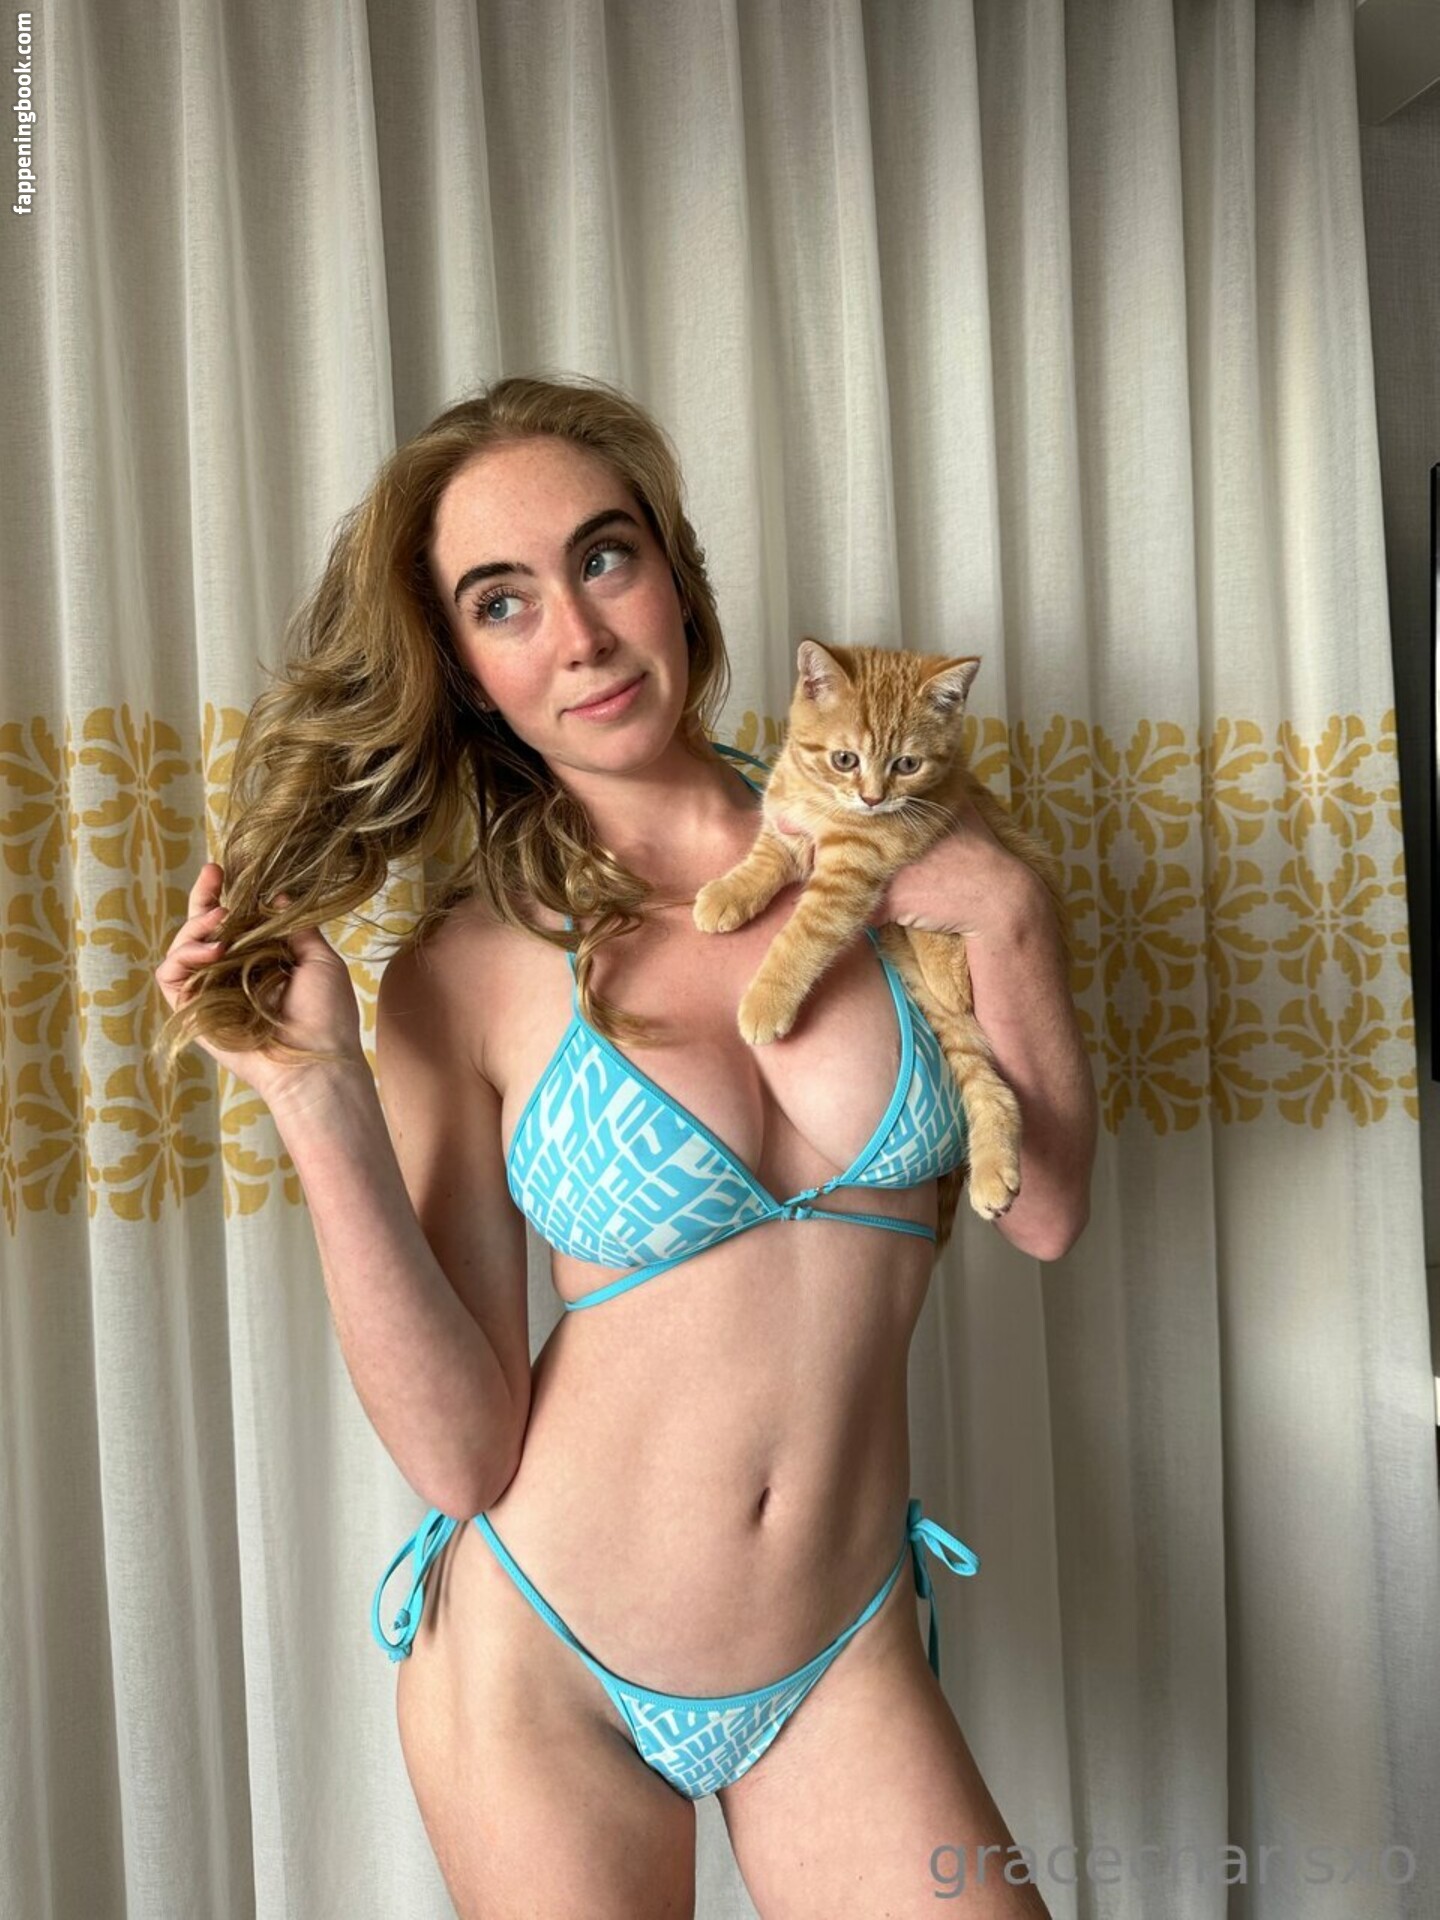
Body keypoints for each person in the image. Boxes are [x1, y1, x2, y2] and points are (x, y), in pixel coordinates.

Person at [154, 374, 1096, 1919]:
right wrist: (315, 1097)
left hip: (841, 1647)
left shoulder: (905, 850)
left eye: (604, 557)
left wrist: (1013, 912)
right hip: (547, 1667)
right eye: (503, 602)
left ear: (676, 574)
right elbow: (462, 1454)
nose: (580, 636)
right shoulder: (466, 971)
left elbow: (1046, 1211)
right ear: (466, 674)